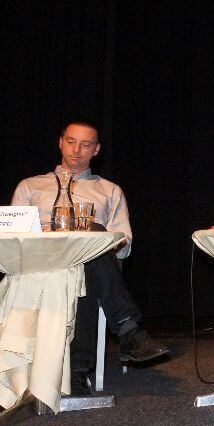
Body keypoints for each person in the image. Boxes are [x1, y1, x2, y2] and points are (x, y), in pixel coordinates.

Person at [11, 120, 170, 395]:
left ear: (96, 150)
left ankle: (77, 372)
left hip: (89, 270)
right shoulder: (30, 187)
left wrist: (92, 241)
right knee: (90, 244)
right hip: (40, 266)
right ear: (60, 142)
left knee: (90, 246)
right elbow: (14, 235)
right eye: (71, 142)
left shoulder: (109, 191)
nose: (76, 150)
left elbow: (124, 245)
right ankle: (127, 329)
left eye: (85, 145)